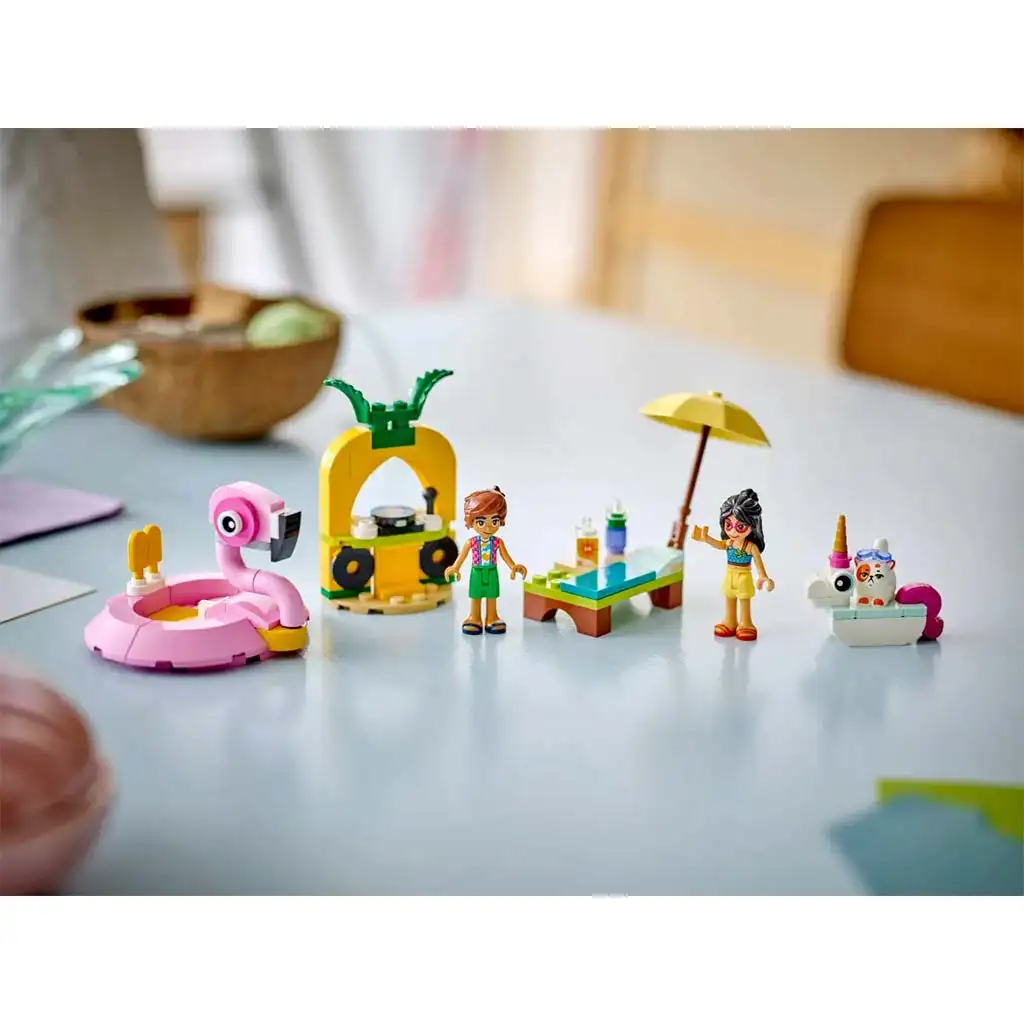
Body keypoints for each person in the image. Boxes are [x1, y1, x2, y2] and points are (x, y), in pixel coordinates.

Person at [691, 487, 774, 642]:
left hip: (744, 576)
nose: (733, 532)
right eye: (728, 525)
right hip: (729, 575)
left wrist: (763, 577)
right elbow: (719, 544)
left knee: (744, 600)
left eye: (740, 526)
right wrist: (706, 539)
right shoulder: (729, 542)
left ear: (753, 525)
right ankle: (730, 621)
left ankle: (746, 624)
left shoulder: (750, 546)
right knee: (729, 597)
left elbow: (758, 561)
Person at [445, 486, 527, 635]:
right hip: (476, 572)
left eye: (494, 521)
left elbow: (505, 556)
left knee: (491, 596)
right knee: (475, 596)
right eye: (481, 522)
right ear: (472, 521)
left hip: (491, 572)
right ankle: (474, 618)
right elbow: (462, 557)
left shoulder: (497, 542)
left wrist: (513, 566)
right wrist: (455, 568)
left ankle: (492, 618)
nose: (489, 527)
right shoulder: (471, 542)